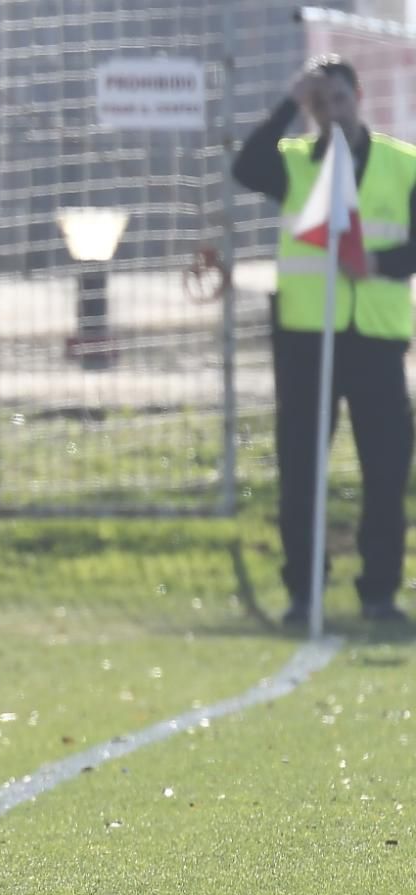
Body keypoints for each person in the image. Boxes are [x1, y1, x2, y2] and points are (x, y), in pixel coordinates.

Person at [233, 54, 416, 625]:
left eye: (338, 99)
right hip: (308, 342)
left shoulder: (403, 165)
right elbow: (244, 167)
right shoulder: (293, 164)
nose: (331, 113)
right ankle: (304, 592)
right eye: (319, 104)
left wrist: (379, 264)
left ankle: (380, 592)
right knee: (302, 471)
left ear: (358, 97)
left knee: (386, 471)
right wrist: (290, 100)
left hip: (377, 340)